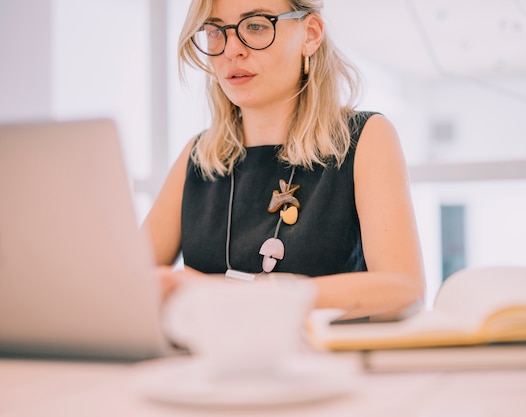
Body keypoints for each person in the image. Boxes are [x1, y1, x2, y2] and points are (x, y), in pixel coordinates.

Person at [142, 0, 425, 320]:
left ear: (310, 34)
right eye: (215, 31)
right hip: (208, 368)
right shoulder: (198, 156)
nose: (231, 49)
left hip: (324, 368)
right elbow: (125, 284)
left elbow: (403, 290)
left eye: (256, 25)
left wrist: (236, 296)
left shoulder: (364, 138)